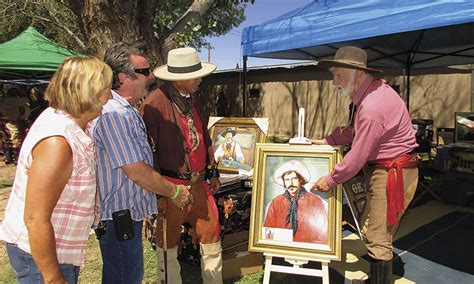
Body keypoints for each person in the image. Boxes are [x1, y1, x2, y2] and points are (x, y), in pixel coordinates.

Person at [311, 46, 419, 284]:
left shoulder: (371, 106)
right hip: (392, 168)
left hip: (392, 172)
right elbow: (355, 130)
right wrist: (329, 140)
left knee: (378, 236)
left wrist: (330, 180)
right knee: (375, 229)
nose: (333, 82)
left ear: (357, 74)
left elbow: (358, 155)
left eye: (338, 75)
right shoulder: (372, 92)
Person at [0, 57, 113, 283]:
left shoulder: (72, 127)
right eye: (106, 90)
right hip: (41, 258)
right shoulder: (58, 141)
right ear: (88, 92)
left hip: (55, 251)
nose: (109, 97)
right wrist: (53, 277)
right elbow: (35, 218)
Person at [93, 42, 192, 284]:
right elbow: (136, 170)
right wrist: (174, 191)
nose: (152, 76)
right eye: (146, 71)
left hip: (126, 217)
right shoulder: (114, 114)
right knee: (125, 279)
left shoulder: (125, 110)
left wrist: (153, 198)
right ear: (123, 77)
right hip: (119, 219)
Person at [140, 47, 223, 283]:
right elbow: (148, 151)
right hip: (170, 186)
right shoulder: (154, 103)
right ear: (180, 78)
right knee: (168, 242)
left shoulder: (193, 100)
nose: (200, 79)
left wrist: (212, 172)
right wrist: (159, 193)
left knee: (211, 234)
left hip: (199, 184)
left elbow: (204, 138)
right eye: (195, 75)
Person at [263, 160, 328, 244]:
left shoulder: (315, 201)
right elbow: (268, 233)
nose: (290, 183)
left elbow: (322, 234)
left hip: (308, 251)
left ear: (301, 180)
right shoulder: (276, 203)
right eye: (286, 180)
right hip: (281, 249)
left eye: (294, 179)